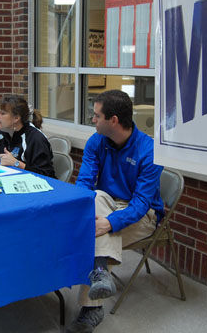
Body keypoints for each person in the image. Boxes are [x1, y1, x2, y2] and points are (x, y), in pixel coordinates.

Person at [67, 90, 164, 333]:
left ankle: (91, 309)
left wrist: (110, 223)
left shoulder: (149, 151)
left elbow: (142, 204)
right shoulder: (96, 141)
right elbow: (85, 184)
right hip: (106, 203)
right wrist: (83, 212)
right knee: (96, 196)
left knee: (97, 234)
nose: (92, 119)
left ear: (114, 121)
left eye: (96, 115)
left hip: (143, 214)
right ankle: (100, 274)